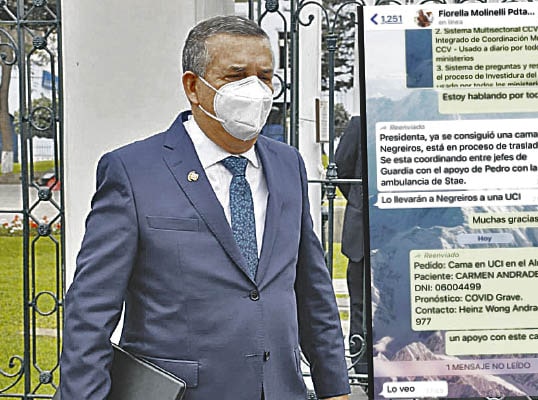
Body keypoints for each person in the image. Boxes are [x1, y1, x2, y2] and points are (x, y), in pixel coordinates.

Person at [59, 16, 350, 400]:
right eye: (236, 76)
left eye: (265, 77)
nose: (255, 90)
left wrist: (334, 388)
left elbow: (312, 292)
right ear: (193, 86)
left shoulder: (287, 165)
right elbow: (91, 310)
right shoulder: (133, 171)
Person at [334, 116, 368, 378]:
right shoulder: (359, 123)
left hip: (404, 233)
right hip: (362, 238)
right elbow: (340, 170)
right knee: (360, 305)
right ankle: (364, 370)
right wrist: (359, 201)